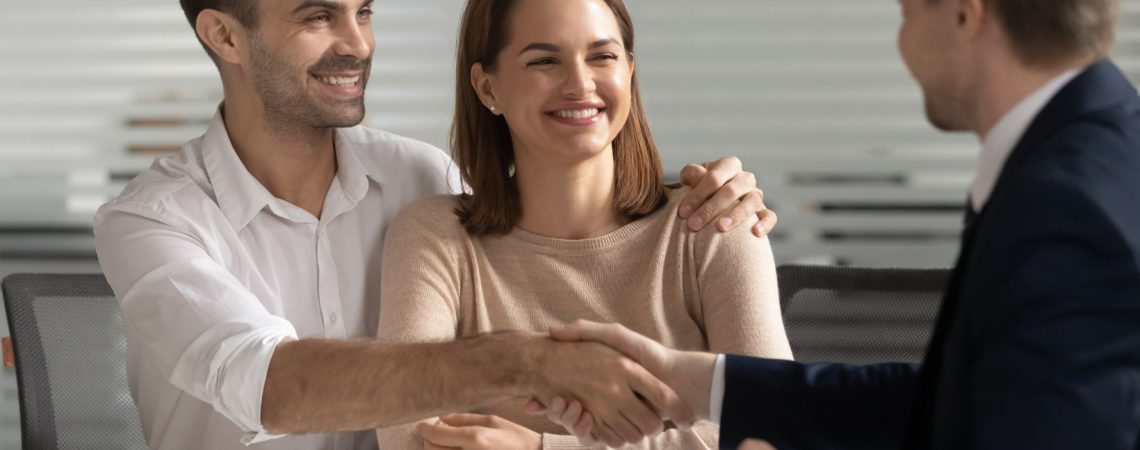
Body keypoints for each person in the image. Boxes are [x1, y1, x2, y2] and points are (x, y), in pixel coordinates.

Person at [91, 1, 781, 449]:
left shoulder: (425, 180)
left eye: (364, 12)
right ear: (222, 35)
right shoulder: (152, 221)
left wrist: (726, 200)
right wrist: (534, 360)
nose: (357, 45)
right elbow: (268, 384)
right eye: (318, 17)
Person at [537, 0, 1140, 449]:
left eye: (905, 14)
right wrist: (703, 382)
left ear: (964, 15)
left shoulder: (1067, 201)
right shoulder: (1090, 155)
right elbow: (964, 402)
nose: (901, 46)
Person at [373, 0, 793, 448]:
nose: (579, 83)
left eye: (602, 56)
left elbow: (776, 427)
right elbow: (408, 436)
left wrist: (538, 448)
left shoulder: (714, 223)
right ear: (487, 87)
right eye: (544, 61)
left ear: (629, 72)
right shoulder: (435, 236)